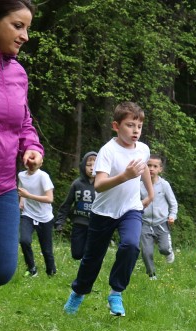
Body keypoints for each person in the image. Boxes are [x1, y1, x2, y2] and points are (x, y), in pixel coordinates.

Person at [63, 102, 154, 317]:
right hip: (103, 212)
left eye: (139, 126)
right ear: (116, 125)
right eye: (130, 125)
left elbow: (143, 171)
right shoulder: (108, 151)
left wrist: (150, 194)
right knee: (92, 258)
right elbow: (99, 184)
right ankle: (78, 292)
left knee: (131, 245)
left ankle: (116, 292)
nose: (135, 131)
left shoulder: (143, 149)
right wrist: (125, 176)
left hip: (130, 209)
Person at [0, 0, 44, 286]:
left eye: (27, 28)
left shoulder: (18, 73)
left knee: (3, 268)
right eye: (18, 26)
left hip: (3, 187)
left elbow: (24, 122)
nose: (25, 36)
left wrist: (33, 147)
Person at [140, 154, 178, 279]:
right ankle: (151, 274)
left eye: (155, 166)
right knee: (146, 252)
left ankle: (169, 252)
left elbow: (173, 203)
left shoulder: (164, 185)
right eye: (149, 165)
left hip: (161, 222)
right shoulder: (140, 185)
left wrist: (172, 216)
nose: (151, 168)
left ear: (160, 169)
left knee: (164, 249)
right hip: (144, 223)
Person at [55, 151, 97, 260]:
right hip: (79, 223)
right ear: (83, 166)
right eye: (89, 165)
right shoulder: (77, 184)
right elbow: (67, 203)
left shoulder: (103, 184)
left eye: (95, 165)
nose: (92, 168)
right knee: (77, 254)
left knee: (90, 253)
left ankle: (86, 271)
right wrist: (60, 221)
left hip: (95, 224)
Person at [18, 162, 56, 277]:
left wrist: (29, 196)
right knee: (24, 240)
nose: (30, 163)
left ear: (40, 163)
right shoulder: (21, 175)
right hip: (28, 214)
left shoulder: (43, 176)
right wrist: (21, 202)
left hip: (45, 217)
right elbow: (22, 191)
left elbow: (50, 198)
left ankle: (51, 272)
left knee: (46, 250)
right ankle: (32, 269)